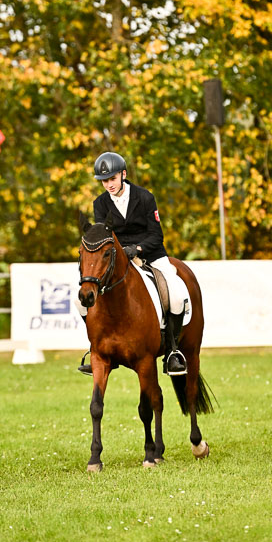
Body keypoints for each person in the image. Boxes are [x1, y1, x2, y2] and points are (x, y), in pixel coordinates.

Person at [77, 151, 189, 377]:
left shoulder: (145, 197)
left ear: (123, 175)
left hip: (150, 254)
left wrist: (136, 249)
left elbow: (157, 235)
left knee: (176, 294)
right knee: (82, 302)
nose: (108, 184)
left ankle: (172, 351)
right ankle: (97, 348)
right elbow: (102, 237)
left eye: (112, 179)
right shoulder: (100, 203)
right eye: (104, 181)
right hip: (118, 260)